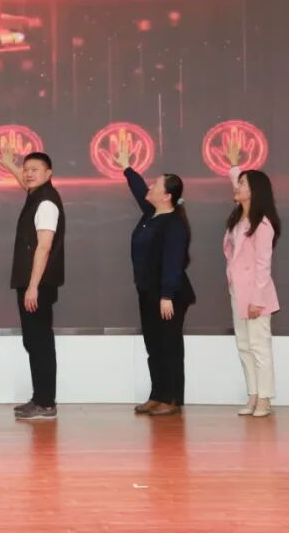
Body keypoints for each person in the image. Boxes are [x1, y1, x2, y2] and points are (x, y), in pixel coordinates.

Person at [116, 133, 196, 417]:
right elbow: (140, 190)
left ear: (167, 196)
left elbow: (173, 262)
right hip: (148, 292)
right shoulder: (151, 213)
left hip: (168, 296)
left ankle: (172, 398)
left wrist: (166, 295)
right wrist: (127, 167)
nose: (150, 187)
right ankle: (157, 394)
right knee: (154, 345)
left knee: (169, 345)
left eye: (156, 185)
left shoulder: (174, 224)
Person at [0, 146, 65, 421]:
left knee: (39, 342)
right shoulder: (38, 194)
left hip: (37, 285)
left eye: (34, 170)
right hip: (33, 284)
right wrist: (10, 165)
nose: (27, 174)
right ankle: (40, 398)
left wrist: (33, 286)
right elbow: (25, 184)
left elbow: (44, 247)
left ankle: (46, 403)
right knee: (35, 341)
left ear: (49, 173)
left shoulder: (46, 203)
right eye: (26, 170)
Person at [223, 138, 282, 418]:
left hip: (256, 295)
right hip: (238, 291)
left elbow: (263, 265)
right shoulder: (238, 220)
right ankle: (253, 394)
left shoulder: (263, 224)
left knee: (259, 347)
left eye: (243, 184)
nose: (237, 187)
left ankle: (265, 399)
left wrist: (258, 300)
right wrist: (234, 165)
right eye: (238, 182)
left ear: (255, 191)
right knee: (244, 346)